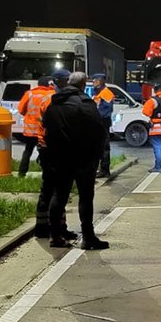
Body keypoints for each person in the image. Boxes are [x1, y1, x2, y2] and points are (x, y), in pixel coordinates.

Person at [43, 72, 109, 250]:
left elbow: (46, 128)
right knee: (85, 197)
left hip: (59, 157)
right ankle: (88, 237)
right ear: (82, 85)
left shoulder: (54, 103)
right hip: (83, 158)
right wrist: (97, 156)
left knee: (59, 196)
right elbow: (98, 131)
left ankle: (55, 236)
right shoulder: (85, 102)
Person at [35, 68, 73, 239]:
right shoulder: (53, 100)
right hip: (53, 149)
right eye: (66, 80)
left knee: (52, 189)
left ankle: (46, 227)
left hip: (47, 148)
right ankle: (53, 228)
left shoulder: (51, 99)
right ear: (59, 82)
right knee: (56, 190)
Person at [16, 76, 55, 177]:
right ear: (49, 84)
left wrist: (29, 116)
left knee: (28, 150)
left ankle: (21, 173)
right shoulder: (52, 94)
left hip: (30, 129)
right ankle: (46, 173)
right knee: (46, 151)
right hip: (44, 129)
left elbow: (20, 109)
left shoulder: (29, 93)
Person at [90, 74, 115, 178]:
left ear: (100, 81)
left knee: (104, 146)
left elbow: (106, 110)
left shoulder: (106, 93)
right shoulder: (98, 92)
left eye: (94, 80)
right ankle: (100, 169)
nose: (93, 82)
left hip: (102, 123)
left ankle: (104, 170)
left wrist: (96, 117)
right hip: (97, 123)